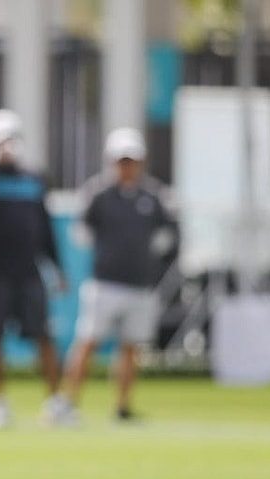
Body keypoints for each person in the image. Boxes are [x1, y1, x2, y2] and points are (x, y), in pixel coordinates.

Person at [61, 127, 178, 422]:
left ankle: (123, 406)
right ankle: (67, 402)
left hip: (140, 284)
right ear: (112, 161)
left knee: (131, 347)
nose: (127, 166)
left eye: (131, 160)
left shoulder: (153, 195)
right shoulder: (99, 194)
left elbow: (168, 234)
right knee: (88, 342)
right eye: (121, 160)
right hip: (105, 282)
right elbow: (82, 233)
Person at [0, 109, 68, 429]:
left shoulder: (35, 178)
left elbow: (45, 226)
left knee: (43, 335)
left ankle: (55, 401)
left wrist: (57, 267)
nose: (8, 146)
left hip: (28, 271)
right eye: (1, 140)